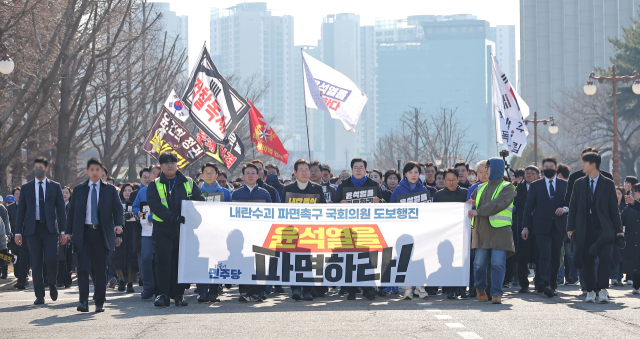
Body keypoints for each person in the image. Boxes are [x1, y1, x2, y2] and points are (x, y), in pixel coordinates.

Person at [62, 158, 124, 312]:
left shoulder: (110, 190)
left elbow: (117, 209)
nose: (95, 172)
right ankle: (83, 302)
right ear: (87, 171)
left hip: (102, 234)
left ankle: (99, 302)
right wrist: (68, 232)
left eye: (98, 169)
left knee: (100, 269)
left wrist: (119, 225)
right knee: (83, 269)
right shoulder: (79, 189)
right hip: (83, 233)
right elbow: (72, 213)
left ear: (102, 171)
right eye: (92, 169)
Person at [147, 152, 205, 307]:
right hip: (163, 229)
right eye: (166, 163)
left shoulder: (188, 182)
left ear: (177, 164)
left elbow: (200, 201)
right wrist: (172, 217)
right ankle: (163, 295)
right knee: (163, 262)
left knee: (180, 262)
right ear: (160, 165)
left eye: (173, 162)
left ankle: (179, 295)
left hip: (184, 229)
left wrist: (193, 217)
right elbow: (156, 206)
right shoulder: (154, 184)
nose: (170, 165)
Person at [567, 152, 623, 303]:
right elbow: (573, 207)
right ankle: (591, 291)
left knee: (605, 258)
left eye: (584, 163)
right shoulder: (578, 183)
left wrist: (618, 230)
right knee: (587, 260)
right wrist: (570, 227)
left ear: (593, 165)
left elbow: (613, 209)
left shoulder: (608, 183)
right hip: (584, 227)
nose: (582, 166)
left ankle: (603, 290)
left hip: (605, 228)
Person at [14, 157, 67, 305]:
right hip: (32, 230)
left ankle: (51, 283)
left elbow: (61, 211)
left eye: (41, 167)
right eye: (36, 167)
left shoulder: (55, 187)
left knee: (51, 260)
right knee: (36, 263)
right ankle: (39, 294)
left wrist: (63, 231)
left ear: (46, 169)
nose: (38, 169)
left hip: (50, 229)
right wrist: (18, 232)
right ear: (33, 169)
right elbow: (21, 212)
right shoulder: (26, 188)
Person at [333, 158, 384, 301]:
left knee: (367, 258)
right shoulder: (344, 185)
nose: (359, 170)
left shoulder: (373, 184)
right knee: (350, 258)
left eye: (361, 167)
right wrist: (340, 204)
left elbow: (383, 203)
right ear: (352, 169)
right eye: (356, 167)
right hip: (348, 229)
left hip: (368, 228)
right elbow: (334, 204)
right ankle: (351, 289)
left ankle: (368, 288)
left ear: (366, 169)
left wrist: (378, 202)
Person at [467, 158, 515, 304]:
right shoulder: (479, 188)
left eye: (488, 167)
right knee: (479, 264)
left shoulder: (507, 187)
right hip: (481, 232)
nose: (485, 171)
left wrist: (478, 211)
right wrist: (471, 204)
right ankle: (480, 289)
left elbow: (497, 204)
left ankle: (496, 293)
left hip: (500, 233)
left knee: (497, 264)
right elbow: (473, 203)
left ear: (496, 169)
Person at [521, 157, 568, 298]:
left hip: (559, 227)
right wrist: (525, 227)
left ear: (556, 168)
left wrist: (565, 208)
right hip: (541, 227)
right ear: (542, 169)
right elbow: (528, 208)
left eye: (551, 166)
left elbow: (571, 202)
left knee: (555, 257)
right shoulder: (536, 185)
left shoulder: (564, 185)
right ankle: (545, 283)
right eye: (546, 166)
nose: (549, 169)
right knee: (544, 255)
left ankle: (552, 284)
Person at [283, 159, 327, 301]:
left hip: (311, 231)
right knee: (293, 260)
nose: (304, 172)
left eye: (306, 170)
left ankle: (307, 290)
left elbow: (324, 211)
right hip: (292, 232)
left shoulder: (317, 189)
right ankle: (295, 288)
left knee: (309, 261)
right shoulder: (288, 189)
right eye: (300, 170)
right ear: (295, 173)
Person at [232, 162, 272, 302]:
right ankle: (244, 291)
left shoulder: (264, 193)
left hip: (259, 234)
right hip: (241, 235)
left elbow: (271, 215)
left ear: (258, 175)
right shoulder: (236, 194)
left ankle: (258, 292)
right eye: (247, 173)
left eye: (253, 173)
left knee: (259, 262)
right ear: (243, 176)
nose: (250, 176)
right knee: (244, 262)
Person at [196, 162, 231, 303]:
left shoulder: (226, 193)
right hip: (201, 233)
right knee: (202, 262)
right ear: (202, 175)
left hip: (219, 233)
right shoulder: (196, 192)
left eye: (212, 172)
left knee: (216, 263)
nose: (209, 175)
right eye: (206, 172)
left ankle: (214, 291)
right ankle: (202, 292)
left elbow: (230, 213)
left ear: (217, 175)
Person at [433, 168, 469, 299]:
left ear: (458, 179)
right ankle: (449, 289)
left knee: (462, 260)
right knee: (447, 260)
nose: (451, 182)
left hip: (462, 233)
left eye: (453, 179)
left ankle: (462, 288)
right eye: (448, 180)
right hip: (445, 235)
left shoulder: (466, 193)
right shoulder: (438, 195)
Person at [132, 164, 161, 299]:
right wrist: (137, 212)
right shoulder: (142, 191)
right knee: (146, 259)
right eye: (153, 173)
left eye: (158, 173)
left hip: (162, 231)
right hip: (146, 231)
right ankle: (148, 288)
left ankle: (161, 288)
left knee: (161, 260)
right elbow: (135, 206)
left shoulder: (166, 189)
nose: (155, 175)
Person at [511, 165, 540, 293]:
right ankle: (524, 284)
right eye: (526, 173)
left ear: (537, 175)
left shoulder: (541, 187)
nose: (528, 175)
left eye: (531, 173)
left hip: (539, 226)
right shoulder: (519, 187)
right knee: (522, 256)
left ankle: (540, 282)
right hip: (522, 226)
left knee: (539, 256)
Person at [113, 183, 139, 293]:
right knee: (118, 258)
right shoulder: (118, 204)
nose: (127, 192)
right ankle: (121, 280)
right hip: (120, 234)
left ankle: (130, 283)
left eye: (130, 190)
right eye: (125, 190)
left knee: (132, 259)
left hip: (133, 234)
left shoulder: (135, 204)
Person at [622, 184, 640, 293]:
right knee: (634, 263)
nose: (633, 194)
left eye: (635, 192)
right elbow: (621, 220)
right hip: (632, 239)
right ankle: (636, 285)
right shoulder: (628, 208)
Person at [56, 186, 73, 289]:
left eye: (67, 192)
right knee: (59, 258)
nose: (65, 194)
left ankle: (68, 280)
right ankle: (59, 280)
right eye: (63, 192)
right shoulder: (56, 206)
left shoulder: (72, 207)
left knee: (69, 259)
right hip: (58, 235)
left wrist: (71, 234)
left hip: (70, 236)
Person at [0, 201, 10, 280]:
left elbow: (6, 223)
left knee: (3, 255)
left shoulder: (2, 209)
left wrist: (8, 234)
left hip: (2, 237)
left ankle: (4, 272)